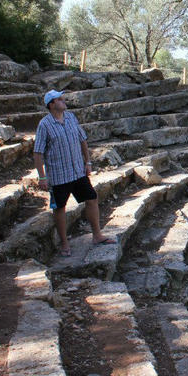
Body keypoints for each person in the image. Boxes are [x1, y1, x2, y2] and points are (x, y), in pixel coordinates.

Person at [33, 89, 115, 256]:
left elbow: (82, 139)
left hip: (78, 171)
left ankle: (97, 235)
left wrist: (88, 162)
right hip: (58, 175)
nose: (63, 100)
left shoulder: (71, 117)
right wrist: (42, 176)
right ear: (51, 104)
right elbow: (38, 152)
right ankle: (64, 243)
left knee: (92, 198)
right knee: (60, 207)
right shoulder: (45, 125)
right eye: (59, 99)